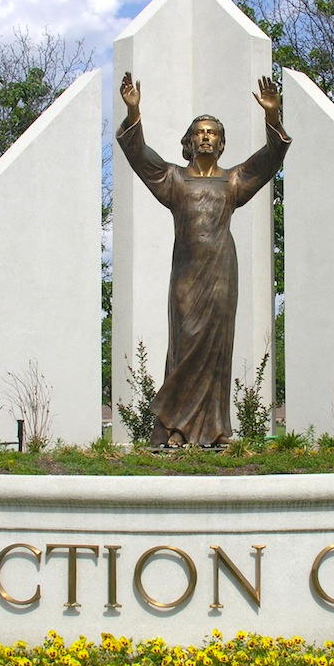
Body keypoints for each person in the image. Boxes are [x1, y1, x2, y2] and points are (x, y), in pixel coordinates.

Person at [116, 70, 290, 446]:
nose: (206, 136)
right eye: (200, 132)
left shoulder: (233, 181)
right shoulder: (174, 179)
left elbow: (271, 157)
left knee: (216, 351)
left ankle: (214, 430)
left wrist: (272, 118)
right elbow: (139, 156)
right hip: (186, 276)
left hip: (222, 274)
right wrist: (134, 114)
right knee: (184, 346)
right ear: (190, 142)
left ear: (222, 143)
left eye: (213, 132)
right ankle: (174, 429)